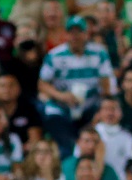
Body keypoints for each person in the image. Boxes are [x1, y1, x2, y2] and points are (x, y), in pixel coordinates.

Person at [39, 16, 114, 158]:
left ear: (86, 34)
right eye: (71, 32)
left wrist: (101, 110)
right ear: (65, 34)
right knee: (64, 140)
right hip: (62, 107)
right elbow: (42, 84)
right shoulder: (55, 55)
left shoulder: (99, 54)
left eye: (79, 32)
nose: (75, 36)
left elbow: (106, 85)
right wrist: (61, 96)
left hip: (89, 106)